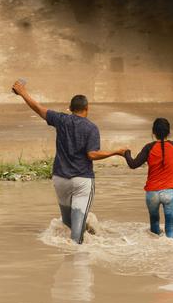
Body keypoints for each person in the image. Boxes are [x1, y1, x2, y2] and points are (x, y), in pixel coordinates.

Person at [12, 80, 126, 244]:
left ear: (71, 109)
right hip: (82, 181)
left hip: (60, 179)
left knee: (67, 223)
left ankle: (72, 252)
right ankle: (77, 256)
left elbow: (38, 108)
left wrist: (22, 92)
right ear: (87, 109)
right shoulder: (91, 128)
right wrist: (115, 151)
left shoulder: (61, 120)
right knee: (76, 234)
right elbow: (92, 154)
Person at [123, 118, 173, 239]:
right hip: (170, 192)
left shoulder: (149, 148)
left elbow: (133, 164)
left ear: (153, 132)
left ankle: (155, 252)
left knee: (154, 223)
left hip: (152, 193)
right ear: (169, 131)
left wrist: (126, 153)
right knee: (170, 226)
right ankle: (169, 251)